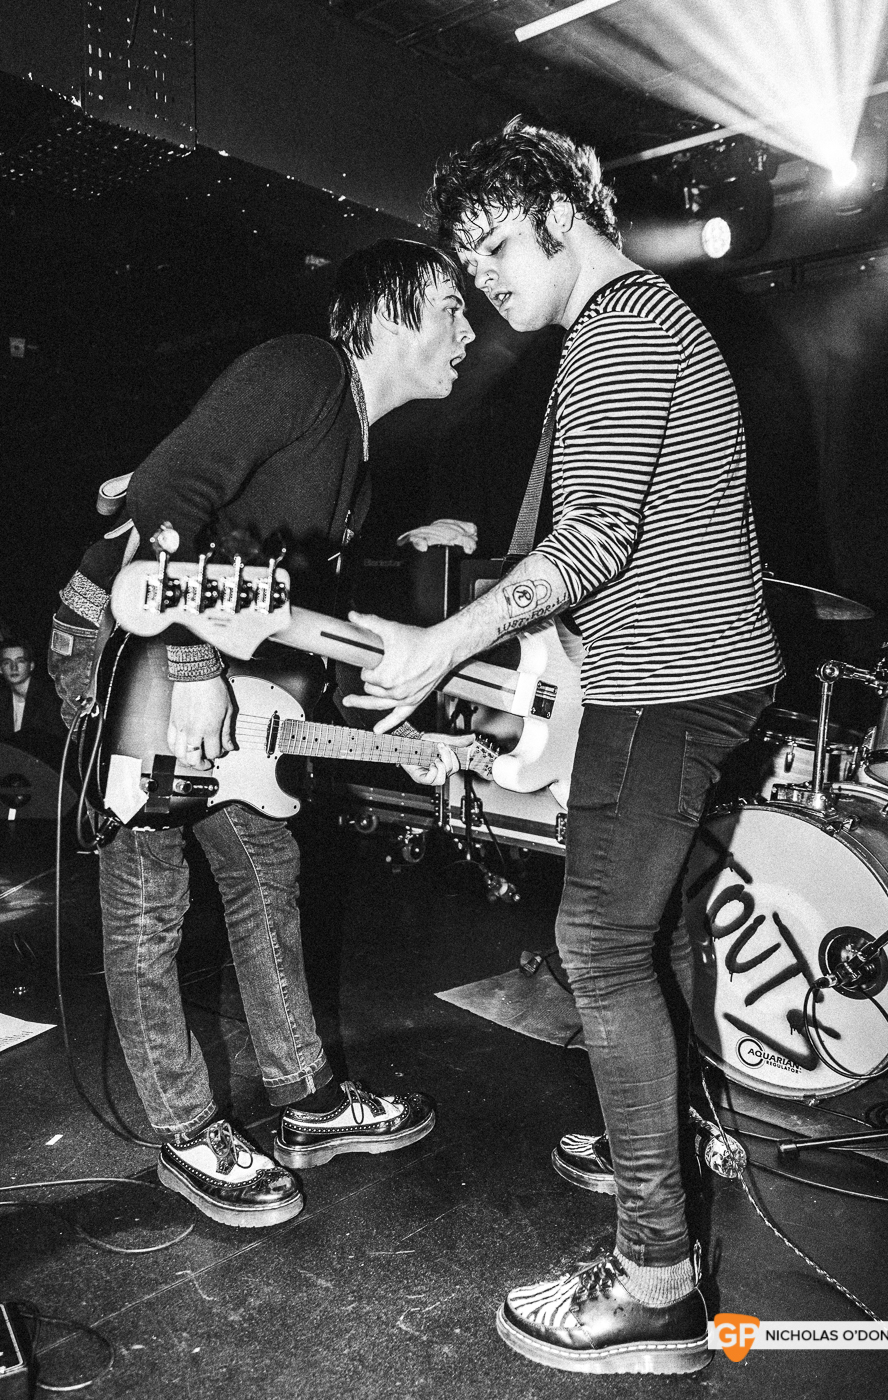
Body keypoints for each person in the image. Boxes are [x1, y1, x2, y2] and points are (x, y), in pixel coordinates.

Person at [344, 122, 784, 1373]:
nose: (485, 283)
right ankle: (668, 1145)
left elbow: (589, 545)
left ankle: (655, 1277)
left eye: (492, 248)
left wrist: (443, 645)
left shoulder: (620, 330)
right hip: (679, 675)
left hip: (675, 686)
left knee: (595, 942)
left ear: (554, 209)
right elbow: (648, 543)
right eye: (467, 269)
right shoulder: (633, 325)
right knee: (640, 935)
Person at [51, 239, 476, 1230]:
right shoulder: (301, 370)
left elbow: (272, 611)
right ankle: (187, 1128)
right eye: (452, 306)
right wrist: (196, 673)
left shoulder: (358, 466)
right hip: (123, 636)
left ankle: (306, 1099)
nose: (469, 328)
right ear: (393, 308)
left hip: (203, 646)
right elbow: (163, 494)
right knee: (152, 886)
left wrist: (367, 683)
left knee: (263, 860)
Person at [1, 639, 63, 762]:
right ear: (1, 669)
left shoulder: (49, 698)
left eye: (20, 661)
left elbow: (55, 744)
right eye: (7, 662)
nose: (14, 667)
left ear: (31, 666)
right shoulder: (3, 699)